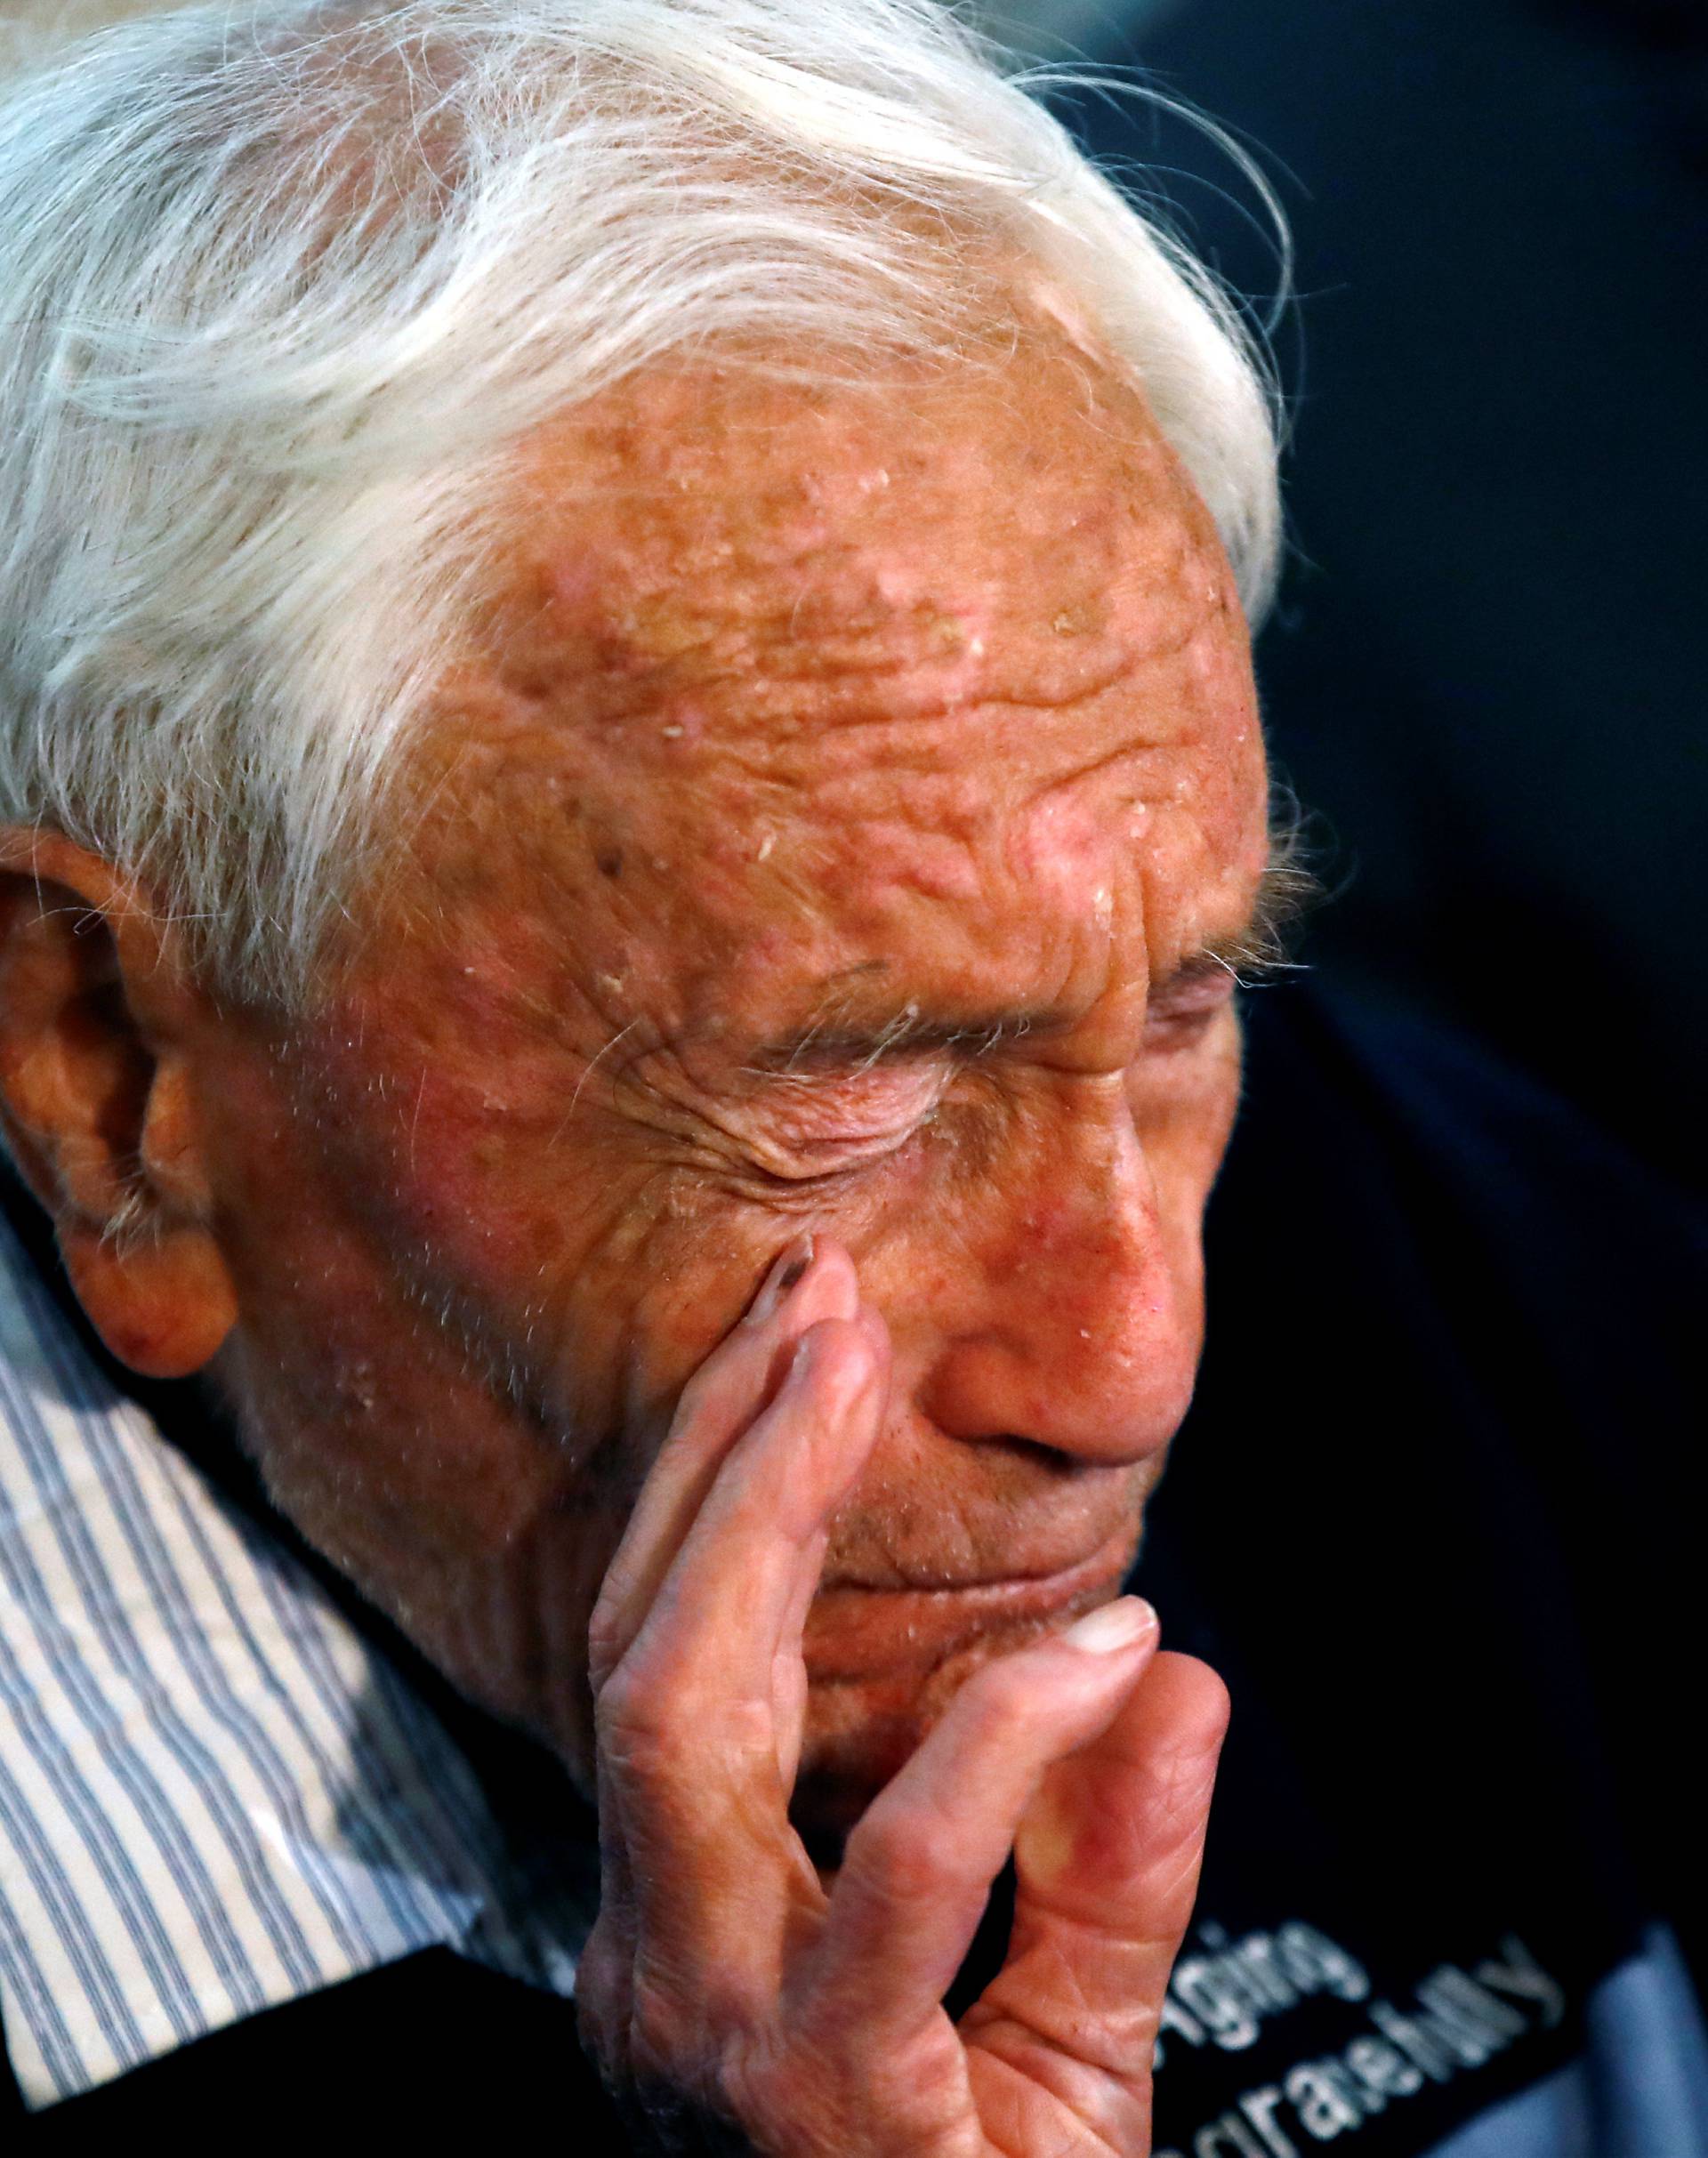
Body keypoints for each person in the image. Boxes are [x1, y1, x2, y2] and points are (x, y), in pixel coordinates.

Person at [0, 1, 1701, 2151]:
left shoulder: (1439, 1246)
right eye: (862, 1088)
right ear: (115, 1074)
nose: (1129, 1361)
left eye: (1186, 1000)